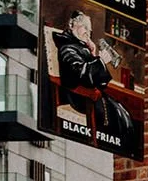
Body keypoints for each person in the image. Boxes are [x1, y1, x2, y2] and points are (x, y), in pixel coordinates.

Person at [56, 11, 138, 151]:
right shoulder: (68, 48)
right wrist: (100, 61)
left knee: (123, 114)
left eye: (89, 29)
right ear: (71, 25)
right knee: (119, 118)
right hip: (80, 98)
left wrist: (93, 54)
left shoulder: (81, 47)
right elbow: (81, 74)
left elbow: (97, 79)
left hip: (91, 96)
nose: (87, 32)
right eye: (84, 27)